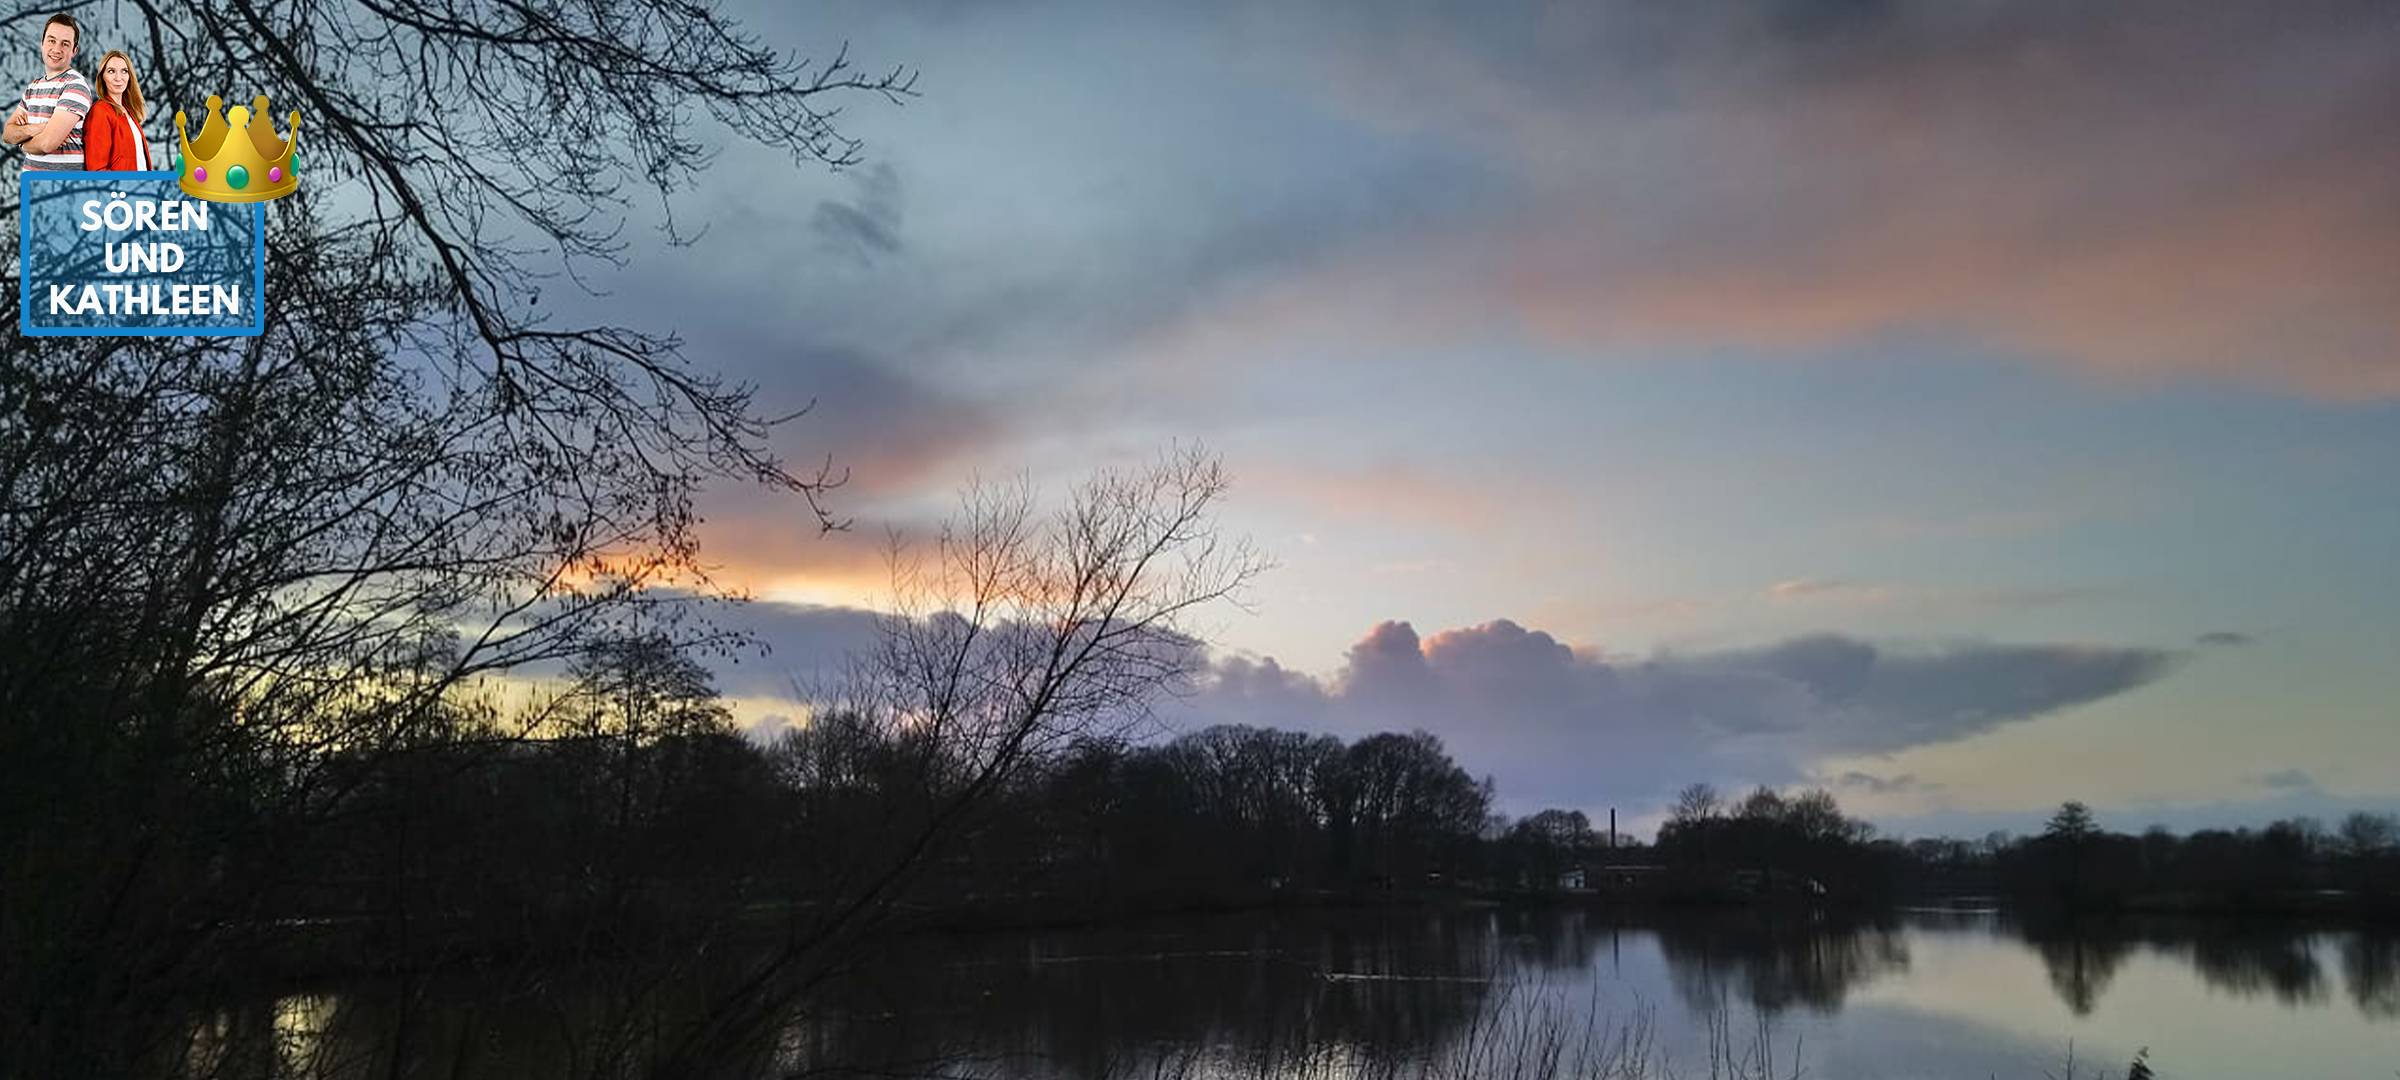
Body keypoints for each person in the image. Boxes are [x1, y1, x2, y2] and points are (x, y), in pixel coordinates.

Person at [1, 12, 90, 170]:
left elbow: (47, 144)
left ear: (74, 51)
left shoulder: (75, 85)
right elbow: (7, 134)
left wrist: (22, 143)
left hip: (62, 185)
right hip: (31, 185)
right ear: (42, 43)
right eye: (52, 40)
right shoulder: (33, 87)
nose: (56, 49)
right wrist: (36, 128)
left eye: (65, 44)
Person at [82, 49, 149, 171]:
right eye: (111, 71)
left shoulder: (129, 112)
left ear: (130, 77)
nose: (119, 78)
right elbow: (97, 170)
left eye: (124, 71)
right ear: (103, 77)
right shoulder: (100, 112)